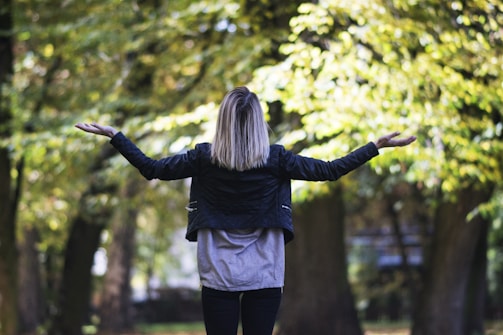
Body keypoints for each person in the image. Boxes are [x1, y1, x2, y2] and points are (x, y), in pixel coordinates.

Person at [75, 86, 416, 335]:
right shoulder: (276, 159)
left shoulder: (203, 158)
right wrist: (375, 146)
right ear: (257, 122)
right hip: (265, 267)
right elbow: (329, 170)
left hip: (217, 267)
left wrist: (116, 136)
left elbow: (152, 168)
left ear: (223, 120)